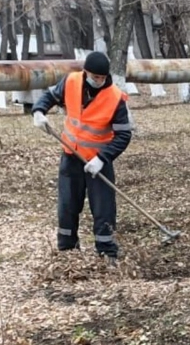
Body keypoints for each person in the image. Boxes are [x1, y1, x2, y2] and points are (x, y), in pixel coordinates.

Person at [31, 51, 133, 264]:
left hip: (98, 162)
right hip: (71, 156)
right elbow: (50, 96)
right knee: (67, 205)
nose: (99, 81)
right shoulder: (71, 81)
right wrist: (39, 111)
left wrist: (102, 159)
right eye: (95, 77)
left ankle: (107, 252)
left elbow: (124, 135)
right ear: (86, 72)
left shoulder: (115, 98)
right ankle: (67, 250)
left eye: (102, 78)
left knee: (103, 208)